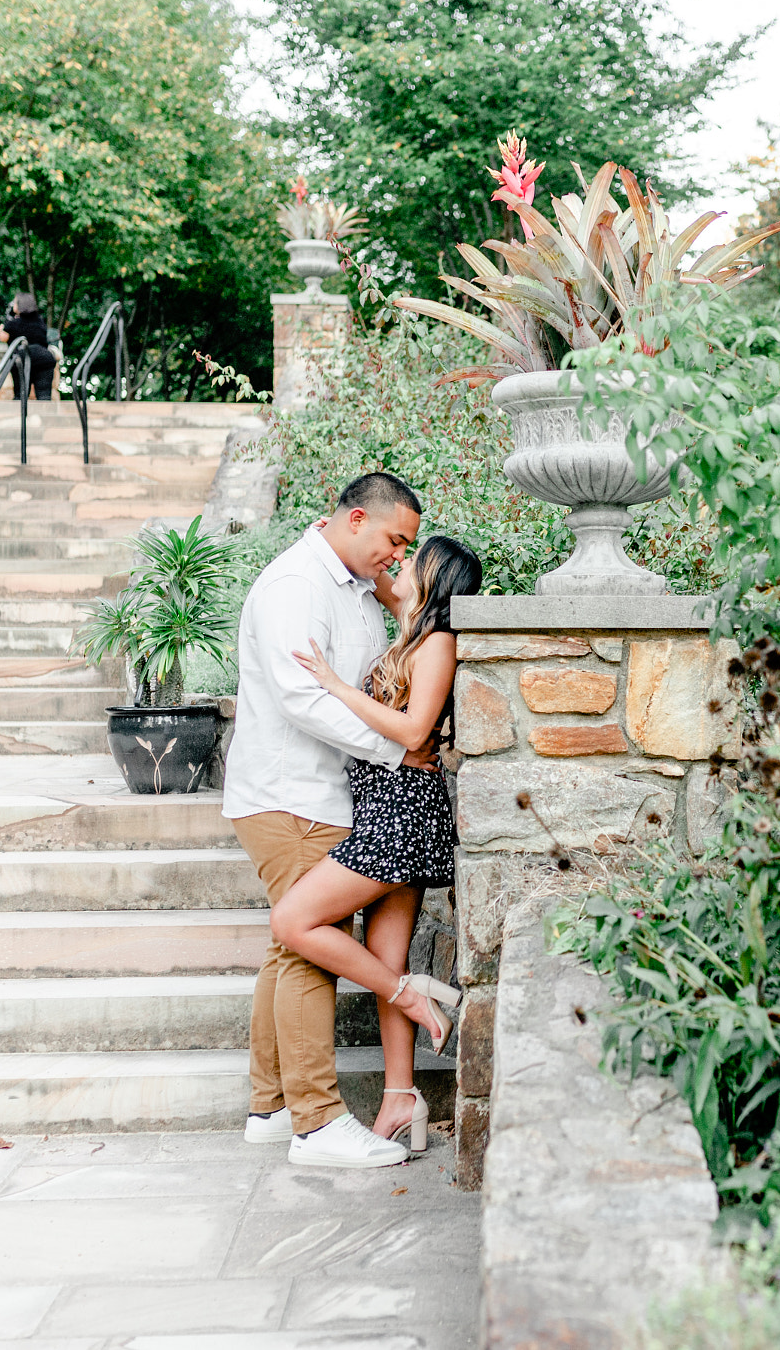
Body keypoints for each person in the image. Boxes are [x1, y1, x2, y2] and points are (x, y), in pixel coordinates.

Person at [222, 472, 429, 1169]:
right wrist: (399, 750)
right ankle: (316, 1123)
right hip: (289, 794)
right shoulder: (297, 586)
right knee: (315, 940)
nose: (398, 555)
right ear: (355, 519)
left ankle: (270, 1106)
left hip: (316, 794)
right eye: (395, 539)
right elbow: (301, 698)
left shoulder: (351, 588)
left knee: (291, 943)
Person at [272, 531, 481, 1157]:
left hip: (401, 814)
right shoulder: (417, 630)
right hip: (388, 807)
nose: (400, 565)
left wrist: (337, 686)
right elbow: (383, 580)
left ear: (436, 577)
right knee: (384, 956)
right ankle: (399, 1099)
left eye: (413, 560)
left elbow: (416, 728)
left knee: (293, 920)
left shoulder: (438, 642)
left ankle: (411, 998)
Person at [0, 291, 58, 400]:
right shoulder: (40, 322)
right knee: (44, 396)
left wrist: (3, 327)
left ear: (20, 305)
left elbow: (3, 337)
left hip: (23, 357)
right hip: (44, 358)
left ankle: (21, 416)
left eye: (15, 302)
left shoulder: (13, 324)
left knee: (21, 395)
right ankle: (44, 416)